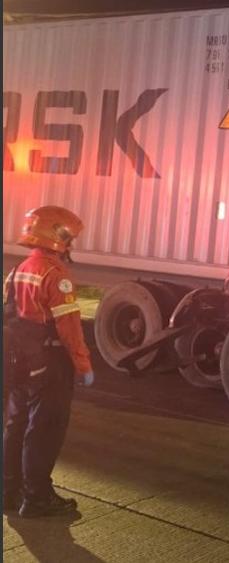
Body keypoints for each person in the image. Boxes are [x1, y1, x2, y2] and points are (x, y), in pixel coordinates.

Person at [2, 206, 94, 518]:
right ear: (58, 237)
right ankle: (37, 497)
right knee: (45, 429)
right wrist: (83, 366)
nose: (71, 245)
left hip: (19, 362)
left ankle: (8, 491)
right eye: (69, 239)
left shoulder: (17, 271)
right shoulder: (55, 275)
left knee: (15, 424)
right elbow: (69, 329)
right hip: (49, 364)